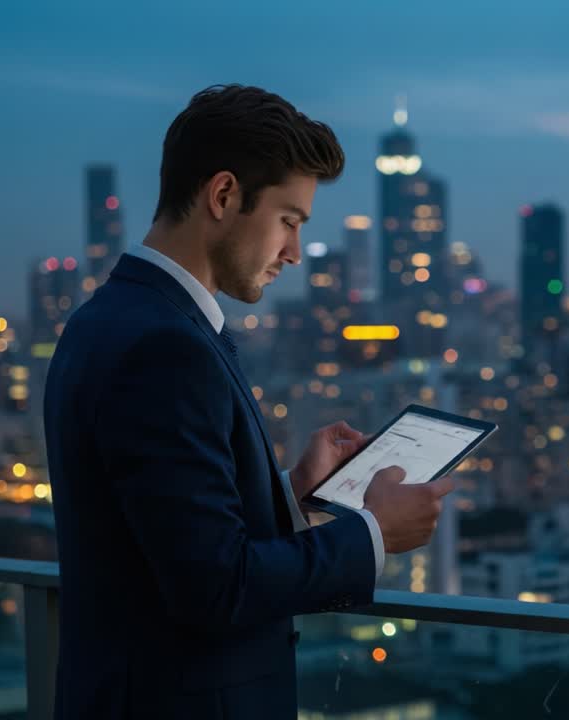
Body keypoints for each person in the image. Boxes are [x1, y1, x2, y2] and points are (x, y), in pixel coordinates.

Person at [43, 84, 453, 719]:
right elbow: (214, 588)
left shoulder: (110, 318)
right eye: (288, 221)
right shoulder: (164, 346)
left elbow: (167, 541)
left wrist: (293, 497)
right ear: (224, 195)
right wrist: (374, 533)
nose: (294, 252)